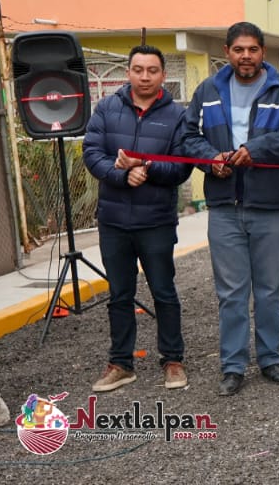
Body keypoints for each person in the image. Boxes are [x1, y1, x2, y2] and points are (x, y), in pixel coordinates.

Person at [181, 22, 279, 396]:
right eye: (239, 49)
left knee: (269, 288)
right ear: (228, 51)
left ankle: (270, 359)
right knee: (231, 291)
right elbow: (189, 136)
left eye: (253, 49)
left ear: (263, 52)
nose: (246, 56)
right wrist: (209, 160)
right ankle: (233, 366)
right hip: (223, 204)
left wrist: (257, 151)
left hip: (269, 204)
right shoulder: (208, 90)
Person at [82, 44, 193, 393]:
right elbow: (92, 152)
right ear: (128, 72)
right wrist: (119, 175)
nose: (145, 76)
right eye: (138, 69)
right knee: (119, 294)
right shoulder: (106, 108)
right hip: (114, 221)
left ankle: (172, 360)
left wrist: (147, 168)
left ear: (162, 75)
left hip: (156, 220)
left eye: (153, 70)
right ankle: (121, 364)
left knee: (164, 292)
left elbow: (182, 164)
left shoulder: (176, 115)